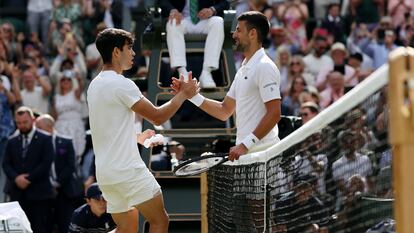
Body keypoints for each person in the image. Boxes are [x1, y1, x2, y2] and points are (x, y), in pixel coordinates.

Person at [87, 28, 198, 233]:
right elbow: (158, 116)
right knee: (159, 221)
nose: (133, 53)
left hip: (106, 175)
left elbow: (107, 128)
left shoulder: (94, 85)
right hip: (128, 171)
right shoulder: (122, 84)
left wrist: (135, 138)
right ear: (116, 52)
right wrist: (184, 94)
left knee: (126, 229)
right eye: (129, 48)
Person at [173, 11, 281, 161]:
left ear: (252, 34)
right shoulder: (243, 69)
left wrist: (245, 145)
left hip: (263, 155)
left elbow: (274, 113)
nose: (234, 35)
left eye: (238, 30)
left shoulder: (265, 66)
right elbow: (225, 111)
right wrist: (191, 96)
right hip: (247, 155)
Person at [2, 106, 54, 233]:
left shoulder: (45, 139)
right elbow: (6, 164)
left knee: (40, 228)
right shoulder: (12, 141)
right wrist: (16, 178)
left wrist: (28, 178)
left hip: (39, 194)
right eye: (18, 123)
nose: (22, 126)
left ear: (33, 119)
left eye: (25, 122)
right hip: (18, 194)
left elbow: (46, 163)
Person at [160, 0, 230, 88]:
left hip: (204, 20)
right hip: (182, 19)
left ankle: (206, 72)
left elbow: (225, 3)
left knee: (218, 22)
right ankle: (182, 73)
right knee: (172, 23)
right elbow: (162, 1)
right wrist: (172, 10)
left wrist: (212, 10)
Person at [36, 114, 83, 233]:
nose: (36, 130)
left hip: (65, 191)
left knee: (65, 226)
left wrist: (56, 184)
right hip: (44, 193)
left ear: (49, 126)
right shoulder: (36, 144)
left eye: (39, 127)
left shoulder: (66, 142)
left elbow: (70, 166)